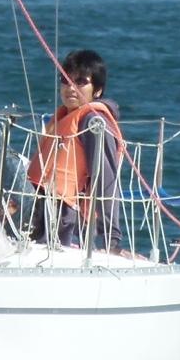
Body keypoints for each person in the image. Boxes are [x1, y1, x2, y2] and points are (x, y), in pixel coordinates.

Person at [25, 49, 126, 248]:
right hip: (36, 201)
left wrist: (111, 238)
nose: (70, 88)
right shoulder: (63, 116)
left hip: (54, 213)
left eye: (80, 82)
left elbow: (106, 180)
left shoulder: (93, 122)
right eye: (65, 80)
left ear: (97, 91)